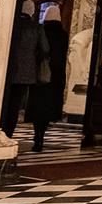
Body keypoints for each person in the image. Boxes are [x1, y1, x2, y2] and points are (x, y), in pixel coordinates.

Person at [0, 0, 50, 139]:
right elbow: (45, 49)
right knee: (15, 105)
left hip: (5, 70)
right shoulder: (36, 28)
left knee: (2, 103)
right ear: (31, 11)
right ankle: (8, 133)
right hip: (25, 73)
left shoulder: (11, 24)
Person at [26, 13, 70, 152]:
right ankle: (41, 135)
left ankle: (37, 135)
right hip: (56, 78)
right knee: (47, 109)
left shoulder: (41, 31)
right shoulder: (63, 35)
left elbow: (41, 51)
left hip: (40, 76)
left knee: (38, 107)